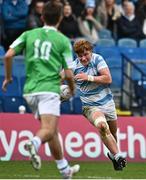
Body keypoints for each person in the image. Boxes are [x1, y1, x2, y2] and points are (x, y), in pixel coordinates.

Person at [2, 1, 80, 179]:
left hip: (29, 90)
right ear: (60, 19)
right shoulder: (62, 40)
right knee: (48, 130)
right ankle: (34, 143)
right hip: (49, 90)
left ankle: (64, 170)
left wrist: (8, 77)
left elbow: (8, 55)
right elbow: (68, 73)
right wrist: (72, 89)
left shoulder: (28, 34)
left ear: (42, 17)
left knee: (52, 129)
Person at [72, 39, 127, 171]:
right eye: (80, 56)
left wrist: (88, 77)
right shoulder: (73, 67)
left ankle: (113, 155)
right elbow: (60, 76)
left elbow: (108, 78)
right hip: (90, 107)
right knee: (102, 126)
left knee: (113, 133)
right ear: (77, 56)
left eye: (86, 54)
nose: (83, 58)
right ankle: (118, 155)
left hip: (108, 103)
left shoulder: (98, 59)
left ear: (91, 52)